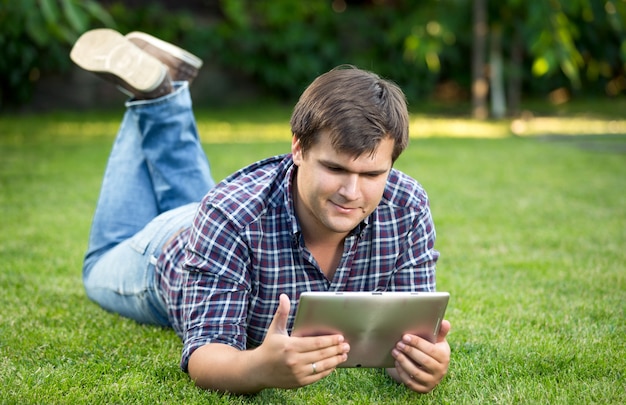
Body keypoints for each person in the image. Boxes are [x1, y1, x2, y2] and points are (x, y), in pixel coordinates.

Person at [71, 28, 451, 395]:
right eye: (334, 168)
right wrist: (260, 369)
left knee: (206, 205)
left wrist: (424, 360)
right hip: (164, 252)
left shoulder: (407, 206)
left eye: (371, 174)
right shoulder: (229, 213)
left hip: (218, 227)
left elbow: (409, 337)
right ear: (298, 149)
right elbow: (207, 351)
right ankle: (153, 96)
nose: (352, 192)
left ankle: (164, 89)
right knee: (97, 267)